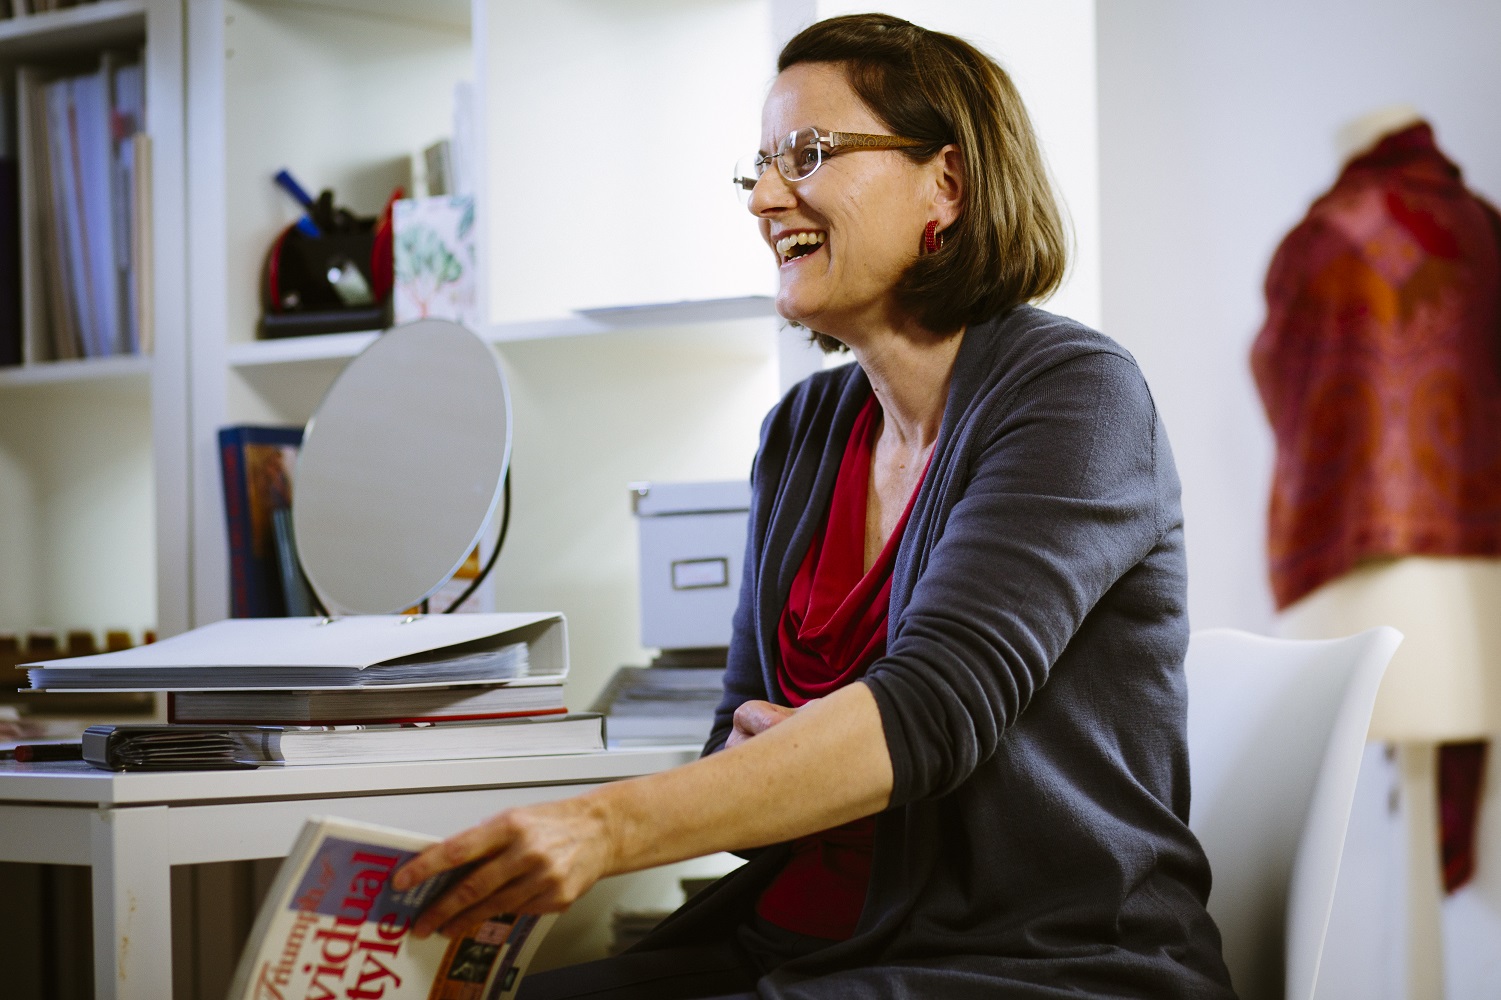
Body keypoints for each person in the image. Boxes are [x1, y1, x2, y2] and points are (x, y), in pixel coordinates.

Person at [393, 13, 1235, 998]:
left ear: (946, 185)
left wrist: (604, 825)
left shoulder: (1076, 395)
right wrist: (801, 751)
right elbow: (733, 732)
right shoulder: (802, 430)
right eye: (757, 165)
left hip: (1032, 963)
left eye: (808, 153)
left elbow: (931, 712)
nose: (763, 198)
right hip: (800, 946)